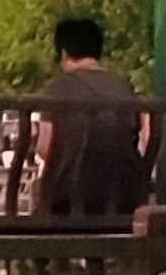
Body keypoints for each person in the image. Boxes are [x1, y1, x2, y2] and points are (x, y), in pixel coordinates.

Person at [33, 15, 153, 227]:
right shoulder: (124, 88)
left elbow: (45, 147)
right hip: (124, 200)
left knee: (41, 188)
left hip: (69, 202)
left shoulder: (57, 88)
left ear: (63, 52)